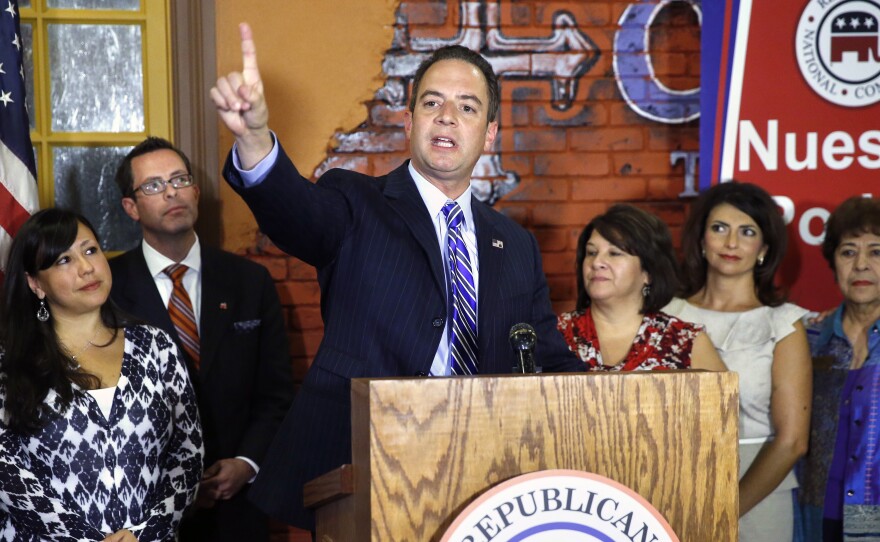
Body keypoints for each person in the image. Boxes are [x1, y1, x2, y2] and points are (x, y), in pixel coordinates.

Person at [210, 23, 582, 530]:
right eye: (432, 103)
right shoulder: (356, 202)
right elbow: (295, 212)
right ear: (409, 122)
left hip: (485, 475)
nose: (447, 116)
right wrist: (254, 137)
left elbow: (545, 356)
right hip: (362, 463)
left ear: (490, 132)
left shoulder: (514, 244)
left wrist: (608, 406)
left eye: (467, 107)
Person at [109, 137, 294, 542]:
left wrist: (247, 462)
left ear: (195, 191)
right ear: (131, 207)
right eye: (153, 185)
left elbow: (276, 393)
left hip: (239, 508)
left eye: (179, 179)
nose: (171, 192)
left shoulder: (249, 281)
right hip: (143, 512)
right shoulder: (108, 289)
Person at [0, 208, 202, 541]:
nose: (86, 268)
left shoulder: (156, 345)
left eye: (90, 250)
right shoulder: (11, 362)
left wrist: (145, 532)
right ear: (36, 283)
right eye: (63, 260)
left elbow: (188, 454)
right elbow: (7, 472)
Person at [664, 181, 812, 540]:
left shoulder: (783, 323)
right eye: (719, 229)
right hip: (675, 484)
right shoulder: (665, 315)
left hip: (761, 490)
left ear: (763, 248)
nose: (731, 243)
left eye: (747, 232)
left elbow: (792, 441)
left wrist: (725, 509)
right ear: (701, 239)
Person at [795, 196, 880, 541]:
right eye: (848, 252)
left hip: (871, 511)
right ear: (833, 263)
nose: (860, 265)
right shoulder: (809, 336)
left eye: (876, 252)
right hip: (815, 512)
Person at [558, 204, 725, 372]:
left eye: (614, 253)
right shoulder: (554, 334)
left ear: (648, 273)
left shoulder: (687, 342)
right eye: (592, 253)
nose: (596, 263)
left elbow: (725, 397)